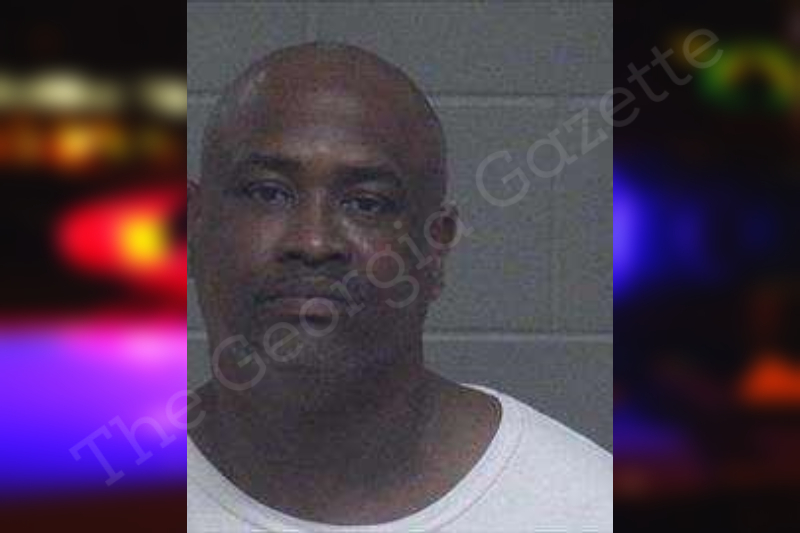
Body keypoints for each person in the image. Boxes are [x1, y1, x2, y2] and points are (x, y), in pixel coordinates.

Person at [187, 42, 612, 532]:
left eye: (366, 203)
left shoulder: (586, 508)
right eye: (269, 193)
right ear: (193, 225)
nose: (314, 241)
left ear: (436, 248)